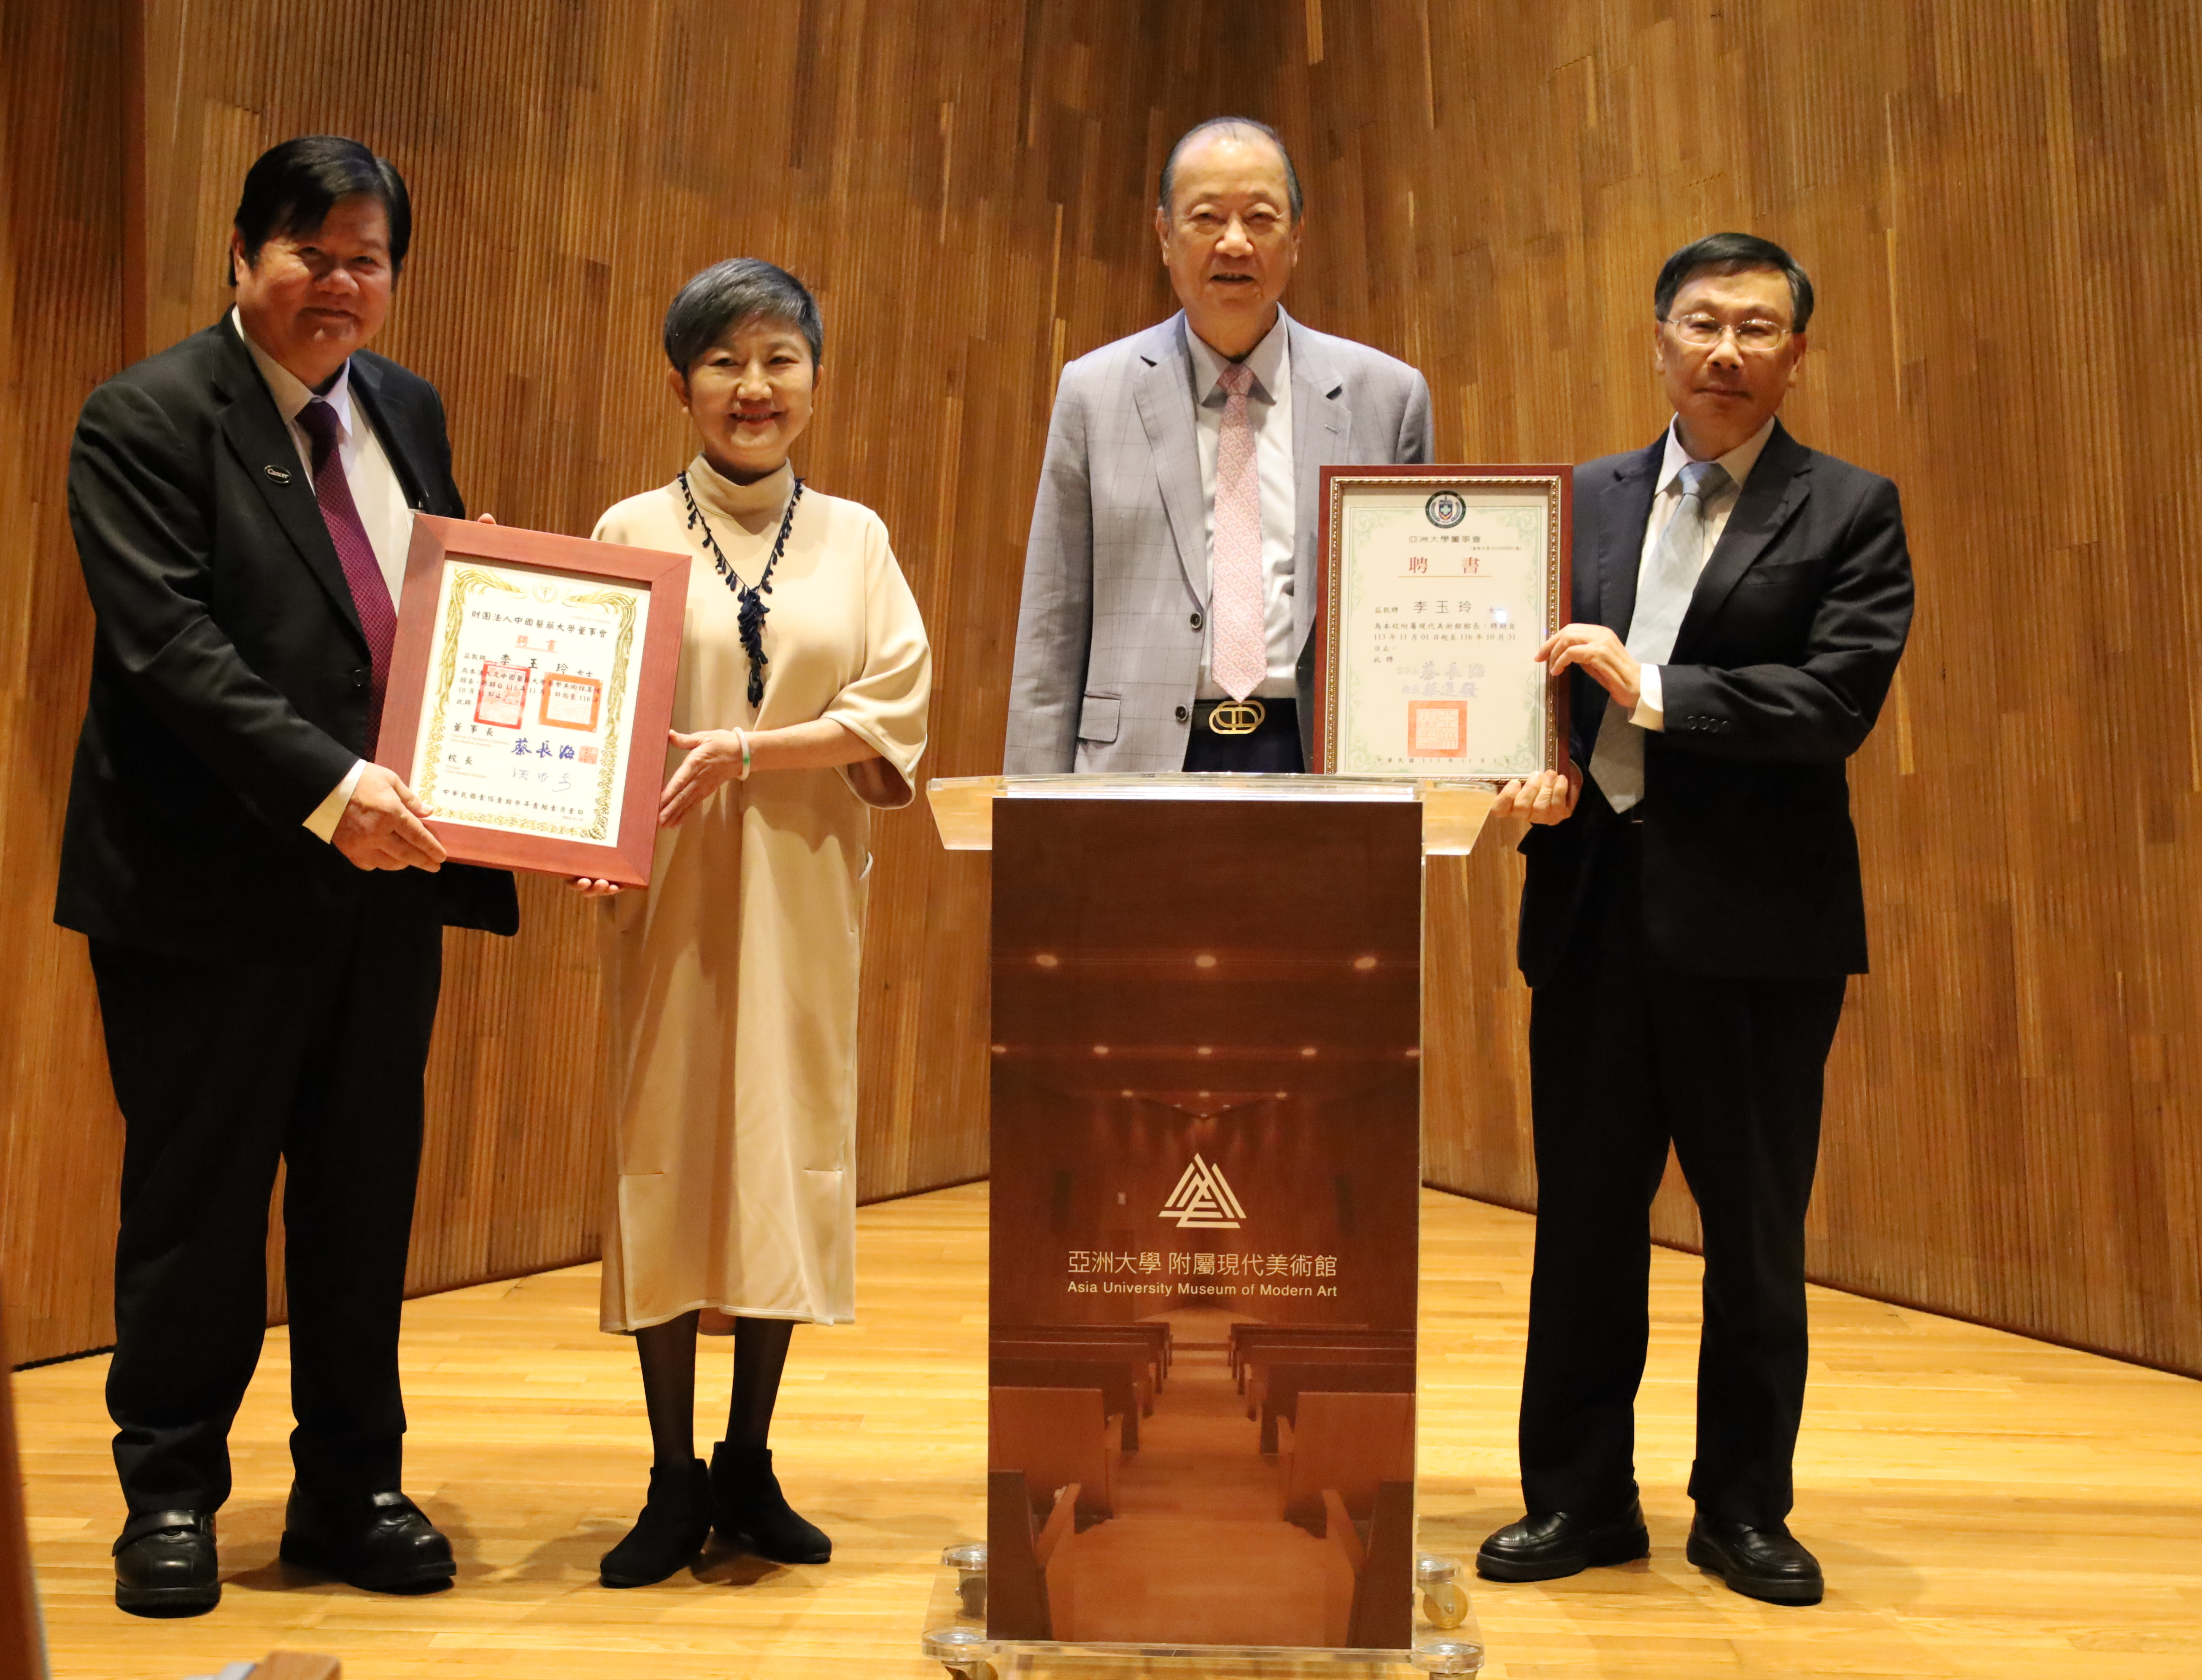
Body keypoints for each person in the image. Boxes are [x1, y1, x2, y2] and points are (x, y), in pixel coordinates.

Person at [57, 135, 519, 1617]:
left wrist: (534, 789)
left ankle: (348, 1487)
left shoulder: (404, 408)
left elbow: (445, 613)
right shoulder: (144, 417)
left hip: (383, 889)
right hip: (210, 891)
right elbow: (170, 650)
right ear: (243, 256)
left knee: (361, 1195)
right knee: (198, 1204)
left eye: (367, 258)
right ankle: (173, 1492)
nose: (340, 282)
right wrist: (328, 786)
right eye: (311, 252)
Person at [1477, 233, 1914, 1606]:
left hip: (1756, 934)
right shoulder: (1580, 502)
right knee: (1584, 1226)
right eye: (1701, 323)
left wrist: (1651, 687)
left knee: (1755, 1233)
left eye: (1758, 328)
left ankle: (1741, 1510)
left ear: (1796, 354)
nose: (1726, 350)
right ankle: (1578, 1500)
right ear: (1657, 340)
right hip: (1594, 911)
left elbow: (1832, 702)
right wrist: (1530, 763)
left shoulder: (1849, 509)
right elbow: (1526, 672)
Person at [569, 259, 931, 1588]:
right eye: (722, 362)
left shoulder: (858, 537)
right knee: (666, 1158)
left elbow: (897, 715)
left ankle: (749, 1458)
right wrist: (586, 843)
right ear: (679, 385)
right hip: (665, 900)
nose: (753, 387)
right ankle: (670, 1472)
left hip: (800, 888)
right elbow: (589, 718)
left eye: (779, 358)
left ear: (816, 380)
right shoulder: (624, 528)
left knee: (781, 1151)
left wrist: (745, 752)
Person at [1004, 116, 1432, 775]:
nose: (1235, 243)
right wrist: (1033, 818)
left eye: (1261, 219)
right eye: (1207, 218)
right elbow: (1051, 628)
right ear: (1165, 237)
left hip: (1325, 763)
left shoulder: (1388, 397)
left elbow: (1415, 621)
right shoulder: (1092, 392)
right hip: (1136, 768)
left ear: (1297, 238)